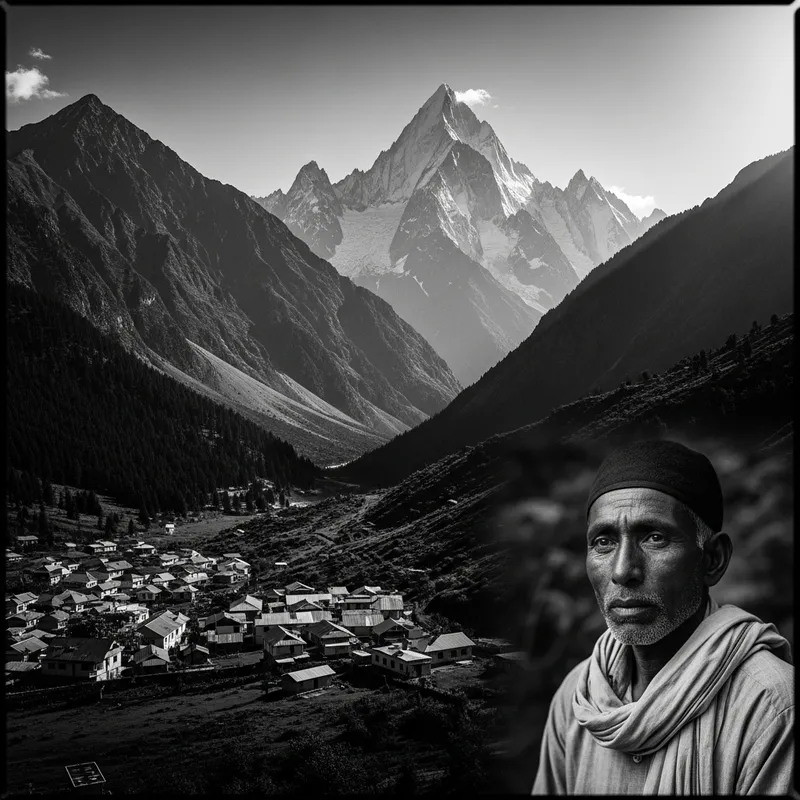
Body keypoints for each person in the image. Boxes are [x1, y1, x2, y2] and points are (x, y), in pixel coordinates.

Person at [532, 439, 794, 795]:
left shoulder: (770, 706)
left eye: (654, 538)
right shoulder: (576, 698)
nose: (623, 571)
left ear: (713, 559)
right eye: (604, 542)